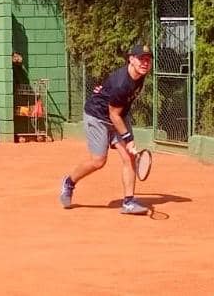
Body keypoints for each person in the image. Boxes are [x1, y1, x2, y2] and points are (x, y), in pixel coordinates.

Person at [59, 44, 153, 214]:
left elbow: (117, 112)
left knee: (129, 158)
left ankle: (128, 202)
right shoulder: (122, 84)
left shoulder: (140, 75)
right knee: (98, 161)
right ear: (131, 60)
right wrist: (128, 139)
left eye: (148, 60)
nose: (145, 63)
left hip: (118, 115)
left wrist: (126, 140)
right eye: (141, 59)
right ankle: (69, 182)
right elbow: (113, 114)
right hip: (98, 117)